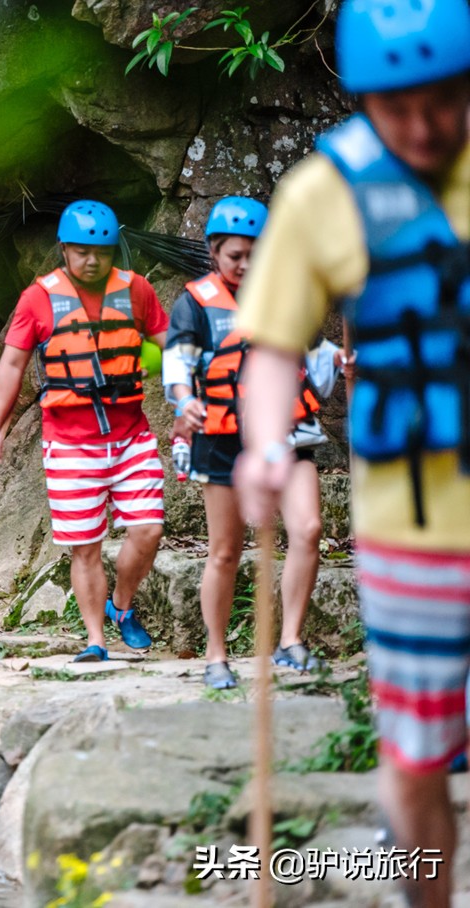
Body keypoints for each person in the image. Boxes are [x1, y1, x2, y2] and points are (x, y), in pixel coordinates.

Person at [232, 1, 470, 903]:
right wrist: (261, 443)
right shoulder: (322, 194)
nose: (420, 128)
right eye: (393, 106)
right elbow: (274, 350)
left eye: (441, 102)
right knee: (414, 759)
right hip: (413, 519)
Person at [0, 200, 169, 663]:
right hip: (69, 442)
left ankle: (121, 607)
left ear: (113, 250)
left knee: (148, 530)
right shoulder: (38, 299)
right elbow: (11, 364)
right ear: (64, 249)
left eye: (101, 252)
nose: (92, 260)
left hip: (131, 436)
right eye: (82, 251)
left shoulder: (137, 290)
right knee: (85, 547)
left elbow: (174, 345)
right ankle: (95, 640)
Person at [163, 196, 336, 690]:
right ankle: (216, 654)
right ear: (215, 252)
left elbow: (316, 361)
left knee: (308, 529)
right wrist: (183, 401)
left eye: (256, 254)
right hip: (221, 436)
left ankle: (291, 642)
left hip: (287, 432)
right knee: (225, 551)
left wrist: (340, 363)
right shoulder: (194, 302)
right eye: (236, 255)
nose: (247, 265)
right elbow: (178, 363)